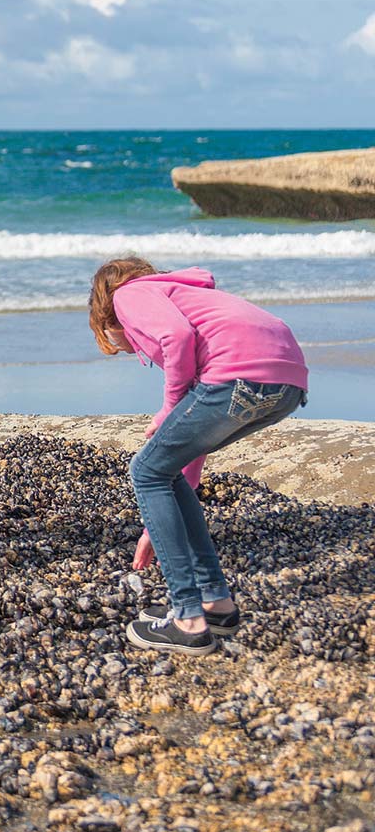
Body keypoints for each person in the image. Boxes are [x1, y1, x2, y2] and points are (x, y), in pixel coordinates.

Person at [89, 258, 308, 656]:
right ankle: (216, 604)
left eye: (114, 342)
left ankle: (187, 619)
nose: (126, 349)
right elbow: (187, 458)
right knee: (161, 470)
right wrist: (156, 526)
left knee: (144, 470)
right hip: (287, 384)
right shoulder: (189, 298)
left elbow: (174, 336)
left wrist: (169, 405)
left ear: (106, 316)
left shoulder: (128, 295)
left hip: (237, 377)